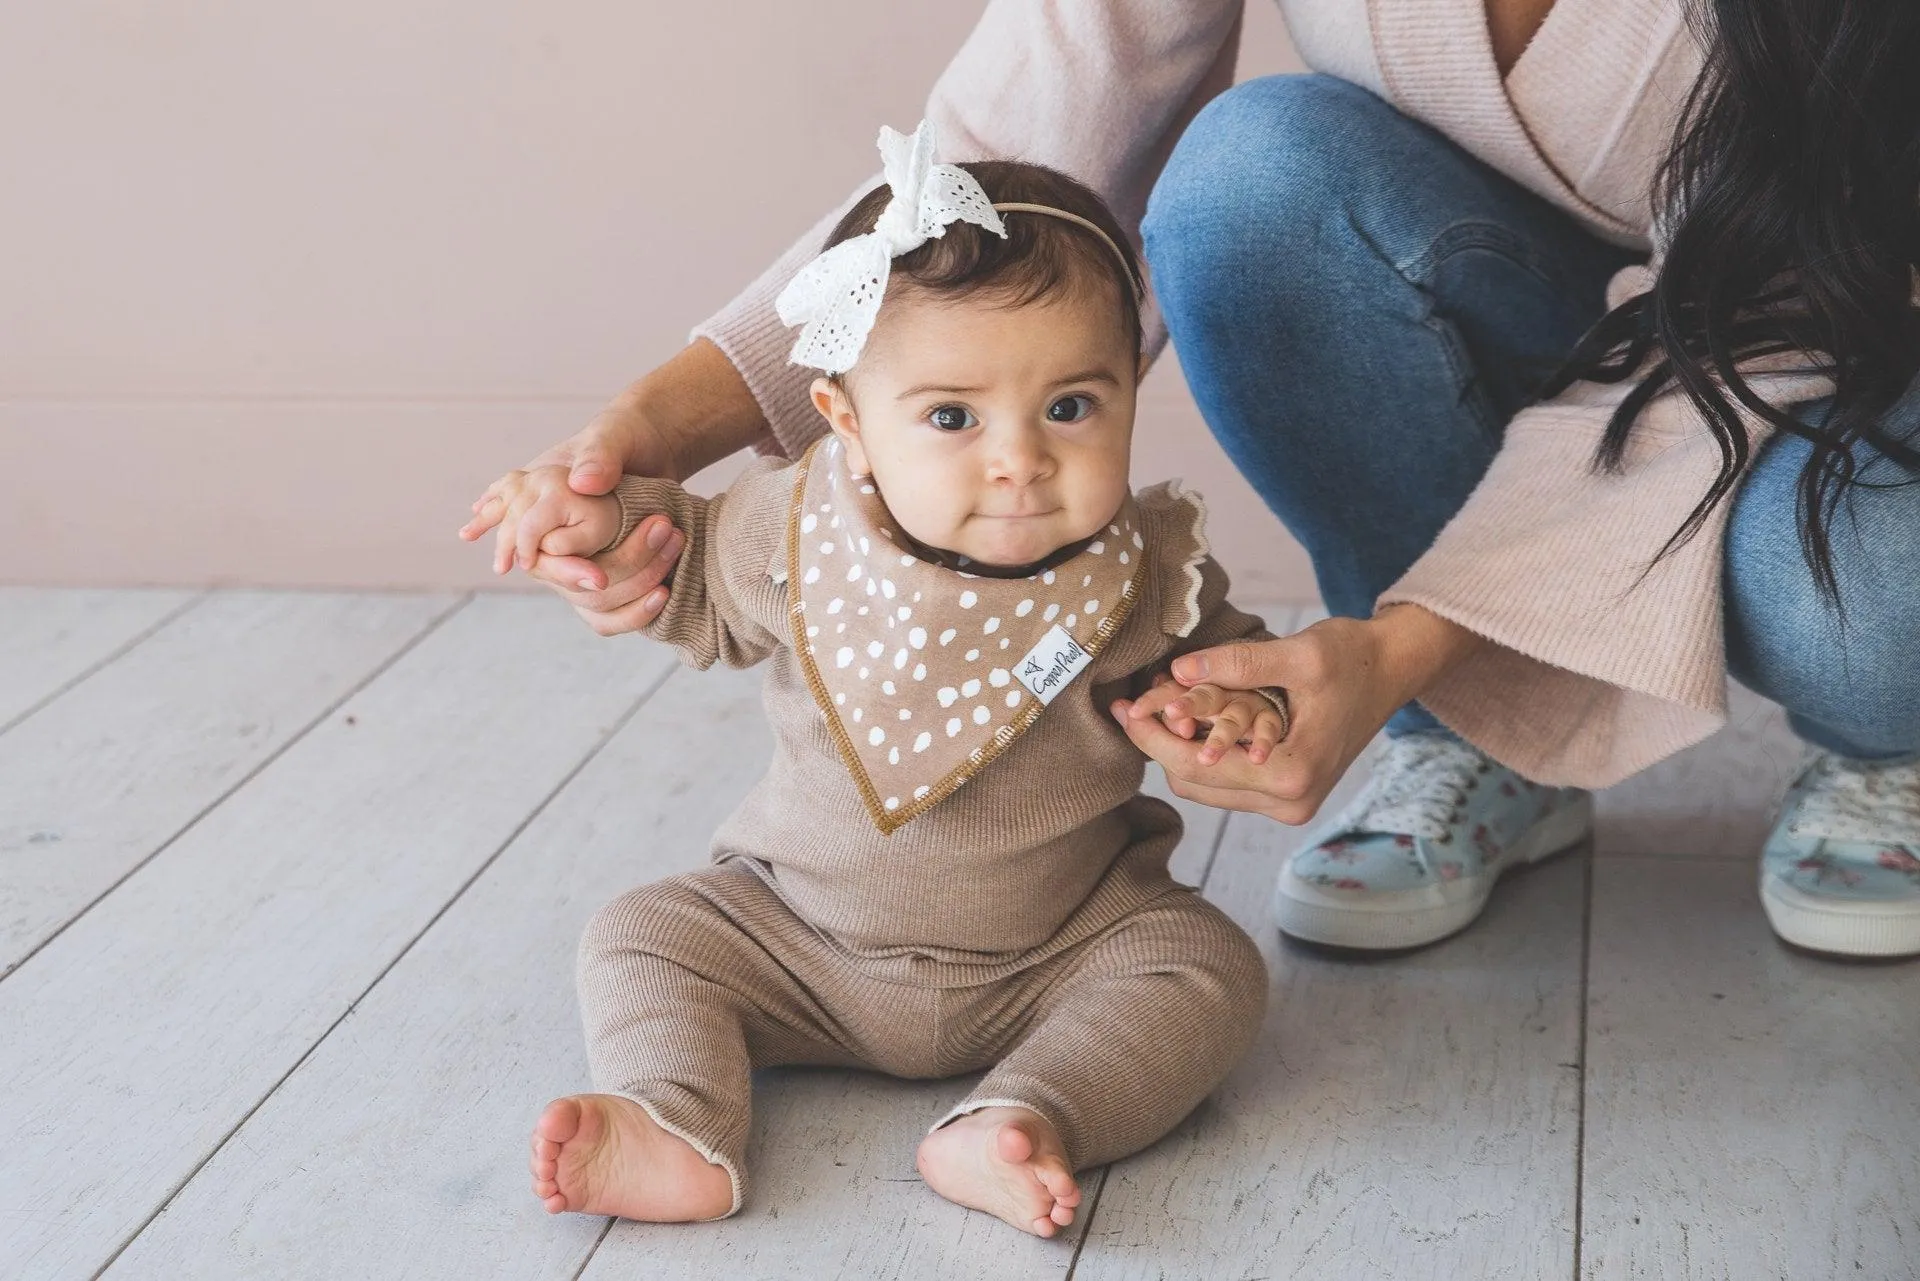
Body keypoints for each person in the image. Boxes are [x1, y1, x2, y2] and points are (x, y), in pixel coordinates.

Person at [465, 0, 1920, 960]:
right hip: (1519, 286)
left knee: (1867, 593)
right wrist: (647, 434)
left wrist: (1413, 629)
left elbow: (1767, 317)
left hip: (1831, 331)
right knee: (1251, 181)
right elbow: (990, 172)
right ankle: (1467, 730)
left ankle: (1885, 748)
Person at [469, 126, 1289, 1233]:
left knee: (1208, 970)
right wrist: (602, 521)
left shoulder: (1148, 575)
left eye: (1072, 407)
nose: (1020, 456)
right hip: (798, 940)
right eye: (953, 417)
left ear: (1130, 397)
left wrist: (1238, 712)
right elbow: (689, 566)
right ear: (848, 423)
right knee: (641, 932)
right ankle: (673, 1117)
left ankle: (1028, 1117)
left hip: (1057, 951)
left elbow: (1234, 670)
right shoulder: (796, 529)